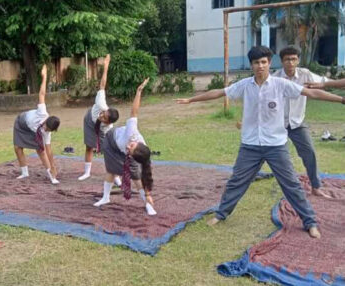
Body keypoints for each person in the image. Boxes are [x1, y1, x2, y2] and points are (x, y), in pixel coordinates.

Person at [177, 46, 345, 238]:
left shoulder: (281, 84)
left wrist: (341, 100)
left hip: (276, 145)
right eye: (256, 63)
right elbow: (219, 92)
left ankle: (310, 222)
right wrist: (191, 100)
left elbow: (312, 93)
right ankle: (221, 214)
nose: (260, 66)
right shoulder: (245, 85)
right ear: (251, 65)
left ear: (269, 63)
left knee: (292, 185)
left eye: (264, 62)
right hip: (250, 145)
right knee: (236, 182)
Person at [272, 45, 331, 198]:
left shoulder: (305, 74)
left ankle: (316, 186)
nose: (290, 63)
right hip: (277, 124)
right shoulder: (275, 78)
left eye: (293, 59)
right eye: (287, 59)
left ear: (298, 60)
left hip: (297, 123)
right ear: (282, 61)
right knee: (268, 154)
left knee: (309, 152)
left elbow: (324, 82)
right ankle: (247, 178)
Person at [93, 78, 157, 216]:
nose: (128, 147)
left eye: (130, 150)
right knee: (111, 170)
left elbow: (145, 174)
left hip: (124, 148)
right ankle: (105, 198)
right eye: (131, 146)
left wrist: (148, 195)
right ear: (137, 143)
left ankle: (147, 204)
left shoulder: (140, 154)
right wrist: (138, 92)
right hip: (111, 141)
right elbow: (134, 112)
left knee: (136, 175)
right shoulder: (131, 132)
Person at [13, 64, 60, 184]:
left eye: (47, 129)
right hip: (21, 123)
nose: (45, 128)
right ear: (45, 120)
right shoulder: (42, 113)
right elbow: (42, 94)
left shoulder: (47, 132)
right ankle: (24, 172)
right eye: (45, 125)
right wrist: (44, 77)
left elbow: (48, 150)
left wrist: (53, 165)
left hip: (33, 131)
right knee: (18, 148)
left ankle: (51, 176)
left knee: (41, 150)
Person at [78, 54, 121, 183]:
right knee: (89, 146)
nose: (101, 116)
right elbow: (102, 84)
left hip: (100, 131)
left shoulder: (108, 128)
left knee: (108, 152)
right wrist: (106, 66)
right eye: (103, 114)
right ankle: (86, 172)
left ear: (108, 122)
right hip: (89, 120)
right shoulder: (101, 103)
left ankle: (116, 177)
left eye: (104, 118)